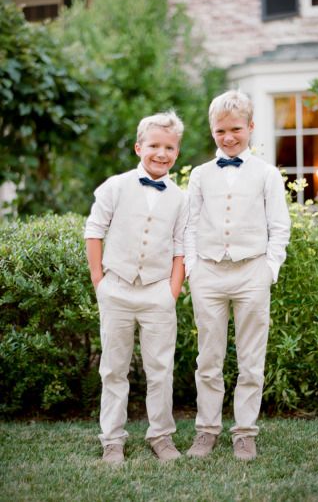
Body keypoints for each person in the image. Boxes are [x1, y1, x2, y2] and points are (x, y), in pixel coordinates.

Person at [184, 90, 291, 461]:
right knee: (208, 359)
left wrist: (269, 270)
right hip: (209, 274)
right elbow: (190, 225)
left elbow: (280, 227)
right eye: (220, 131)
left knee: (251, 359)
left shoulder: (267, 174)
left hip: (252, 273)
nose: (228, 137)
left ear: (250, 127)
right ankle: (206, 430)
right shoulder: (199, 175)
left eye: (235, 129)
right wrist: (194, 270)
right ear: (211, 131)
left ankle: (245, 432)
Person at [84, 111, 188, 464]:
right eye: (154, 145)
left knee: (161, 368)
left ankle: (161, 436)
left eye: (169, 147)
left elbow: (180, 248)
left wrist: (171, 291)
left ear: (177, 152)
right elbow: (94, 231)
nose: (161, 153)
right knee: (114, 368)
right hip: (116, 289)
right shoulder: (115, 185)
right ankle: (112, 438)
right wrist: (100, 281)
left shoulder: (180, 198)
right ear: (138, 147)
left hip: (157, 292)